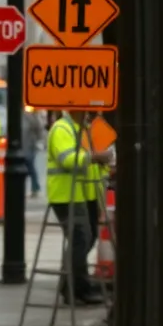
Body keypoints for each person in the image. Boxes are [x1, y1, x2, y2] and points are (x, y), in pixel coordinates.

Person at [47, 110, 112, 306]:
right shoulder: (62, 128)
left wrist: (105, 164)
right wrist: (96, 156)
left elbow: (98, 163)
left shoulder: (86, 129)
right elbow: (68, 160)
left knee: (86, 238)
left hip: (87, 193)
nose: (93, 113)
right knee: (80, 238)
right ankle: (77, 288)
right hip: (66, 195)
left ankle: (71, 285)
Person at [21, 107, 46, 197]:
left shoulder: (32, 116)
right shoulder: (22, 115)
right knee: (25, 167)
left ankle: (35, 187)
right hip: (22, 145)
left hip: (30, 145)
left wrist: (39, 141)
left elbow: (39, 129)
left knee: (30, 166)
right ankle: (32, 187)